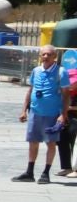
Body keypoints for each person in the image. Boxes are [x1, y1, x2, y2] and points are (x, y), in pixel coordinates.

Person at [16, 45, 68, 184]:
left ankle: (46, 173)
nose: (45, 57)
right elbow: (30, 90)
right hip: (35, 112)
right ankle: (29, 172)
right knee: (33, 142)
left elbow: (66, 95)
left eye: (49, 54)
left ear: (54, 57)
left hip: (52, 114)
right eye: (43, 54)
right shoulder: (36, 71)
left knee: (50, 143)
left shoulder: (61, 72)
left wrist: (63, 114)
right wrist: (24, 110)